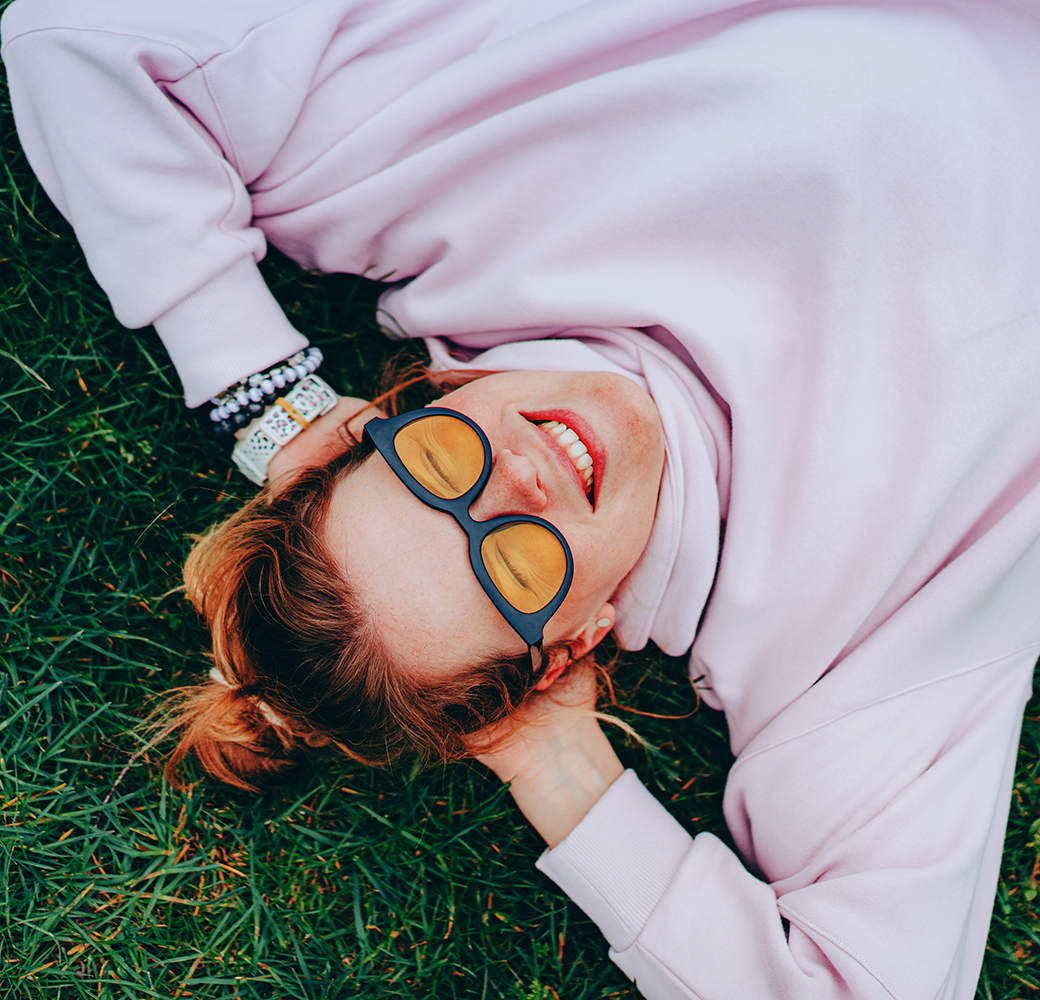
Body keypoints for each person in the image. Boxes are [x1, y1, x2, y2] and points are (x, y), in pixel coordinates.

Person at [4, 0, 1040, 996]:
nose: (520, 480)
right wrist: (549, 760)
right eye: (509, 565)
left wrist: (257, 386)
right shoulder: (839, 653)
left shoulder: (431, 166)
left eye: (437, 469)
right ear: (568, 643)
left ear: (386, 417)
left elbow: (73, 35)